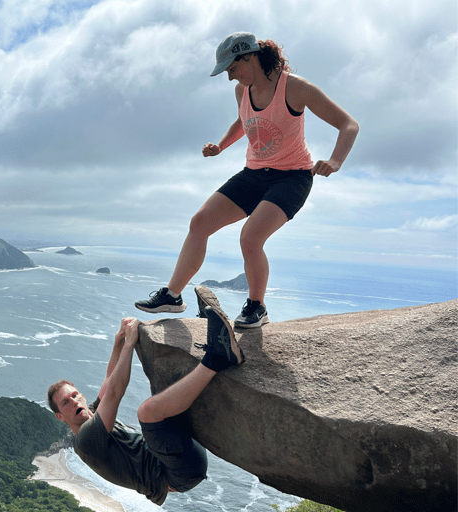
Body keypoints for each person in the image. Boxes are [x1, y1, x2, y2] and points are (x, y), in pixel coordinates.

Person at [135, 32, 359, 328]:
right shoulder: (243, 90)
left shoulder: (295, 88)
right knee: (199, 222)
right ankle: (172, 296)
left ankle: (257, 307)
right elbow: (244, 121)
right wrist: (221, 146)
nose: (230, 78)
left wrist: (335, 160)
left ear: (249, 57)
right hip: (254, 174)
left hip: (292, 178)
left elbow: (349, 124)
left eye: (232, 68)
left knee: (251, 237)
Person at [47, 286, 244, 505]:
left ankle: (207, 330)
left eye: (75, 395)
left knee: (165, 391)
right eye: (65, 402)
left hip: (177, 455)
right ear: (60, 416)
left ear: (82, 396)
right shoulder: (85, 442)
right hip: (177, 474)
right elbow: (114, 393)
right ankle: (218, 356)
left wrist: (119, 339)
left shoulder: (91, 414)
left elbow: (109, 380)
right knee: (147, 412)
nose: (74, 401)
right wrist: (130, 344)